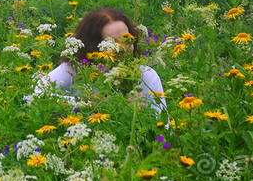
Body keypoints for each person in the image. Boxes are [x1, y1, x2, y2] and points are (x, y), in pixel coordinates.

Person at [29, 8, 167, 118]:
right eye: (115, 42)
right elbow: (37, 96)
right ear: (94, 47)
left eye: (127, 39)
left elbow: (164, 128)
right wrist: (84, 103)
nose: (124, 48)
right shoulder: (74, 69)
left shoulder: (146, 76)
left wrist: (142, 114)